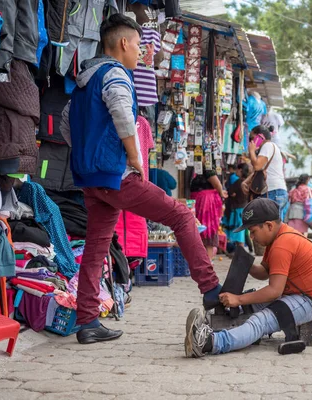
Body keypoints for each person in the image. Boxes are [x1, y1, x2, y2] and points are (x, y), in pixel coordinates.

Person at [60, 14, 221, 344]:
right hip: (117, 176)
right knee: (180, 216)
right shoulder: (115, 73)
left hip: (90, 177)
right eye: (137, 45)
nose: (140, 52)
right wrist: (134, 157)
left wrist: (87, 154)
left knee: (96, 247)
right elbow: (121, 111)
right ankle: (211, 289)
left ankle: (87, 321)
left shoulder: (83, 80)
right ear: (122, 44)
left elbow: (67, 123)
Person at [184, 198, 312, 357]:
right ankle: (210, 327)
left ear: (269, 225)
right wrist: (246, 265)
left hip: (311, 301)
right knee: (249, 307)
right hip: (293, 294)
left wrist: (238, 299)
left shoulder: (283, 244)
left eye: (253, 231)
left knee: (260, 321)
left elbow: (274, 290)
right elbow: (264, 272)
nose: (251, 237)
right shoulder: (276, 238)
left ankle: (208, 343)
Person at [248, 125, 287, 216]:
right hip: (278, 191)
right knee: (274, 226)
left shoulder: (267, 146)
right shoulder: (272, 147)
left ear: (260, 137)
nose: (251, 142)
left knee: (269, 226)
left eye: (252, 138)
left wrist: (252, 151)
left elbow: (257, 166)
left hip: (273, 191)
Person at [190, 168, 228, 262]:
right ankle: (203, 259)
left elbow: (216, 182)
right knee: (199, 228)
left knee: (207, 230)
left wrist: (221, 192)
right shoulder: (196, 169)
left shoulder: (208, 169)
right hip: (200, 202)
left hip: (206, 203)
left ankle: (208, 259)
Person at [222, 164, 250, 255]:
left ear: (240, 170)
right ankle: (239, 251)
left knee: (238, 230)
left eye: (237, 170)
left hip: (237, 209)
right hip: (244, 208)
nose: (235, 172)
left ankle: (240, 251)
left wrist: (232, 194)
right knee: (240, 230)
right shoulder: (247, 182)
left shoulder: (239, 182)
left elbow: (230, 192)